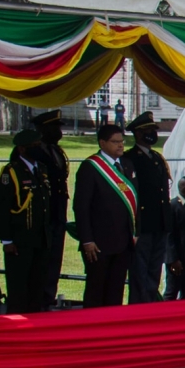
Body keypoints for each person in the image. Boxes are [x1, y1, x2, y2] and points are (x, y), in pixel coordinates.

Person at [74, 124, 138, 308]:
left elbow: (134, 199)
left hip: (124, 240)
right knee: (97, 289)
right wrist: (87, 240)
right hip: (99, 242)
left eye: (122, 141)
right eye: (115, 142)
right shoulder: (91, 167)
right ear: (102, 143)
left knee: (116, 290)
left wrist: (136, 231)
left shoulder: (126, 164)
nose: (120, 145)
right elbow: (81, 207)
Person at [0, 129, 52, 314]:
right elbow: (3, 208)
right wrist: (7, 240)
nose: (39, 149)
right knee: (19, 288)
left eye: (40, 145)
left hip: (40, 238)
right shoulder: (11, 172)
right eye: (34, 146)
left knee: (37, 286)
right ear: (22, 149)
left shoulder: (42, 170)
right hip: (20, 240)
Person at [126, 112, 172, 303]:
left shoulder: (157, 158)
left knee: (154, 269)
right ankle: (139, 307)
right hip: (142, 224)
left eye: (153, 130)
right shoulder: (130, 159)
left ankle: (151, 305)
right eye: (148, 131)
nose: (152, 134)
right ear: (137, 133)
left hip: (159, 222)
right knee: (139, 271)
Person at [30, 109, 70, 309]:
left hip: (57, 214)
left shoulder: (56, 151)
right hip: (41, 218)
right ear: (42, 129)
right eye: (54, 127)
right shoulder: (33, 152)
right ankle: (38, 300)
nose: (58, 131)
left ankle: (48, 297)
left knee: (55, 259)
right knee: (41, 262)